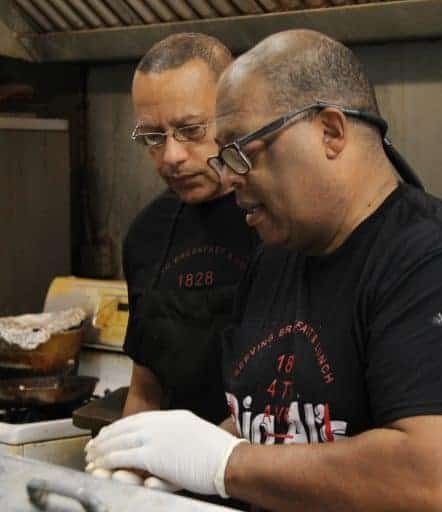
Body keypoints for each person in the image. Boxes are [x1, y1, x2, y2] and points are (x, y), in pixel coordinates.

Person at [87, 29, 442, 511]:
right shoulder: (275, 259)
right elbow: (275, 421)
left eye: (244, 150)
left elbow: (429, 485)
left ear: (330, 132)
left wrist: (223, 464)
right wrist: (171, 453)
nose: (228, 175)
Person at [121, 33, 257, 426]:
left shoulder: (287, 222)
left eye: (192, 130)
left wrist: (208, 459)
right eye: (152, 137)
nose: (171, 157)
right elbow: (146, 388)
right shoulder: (147, 235)